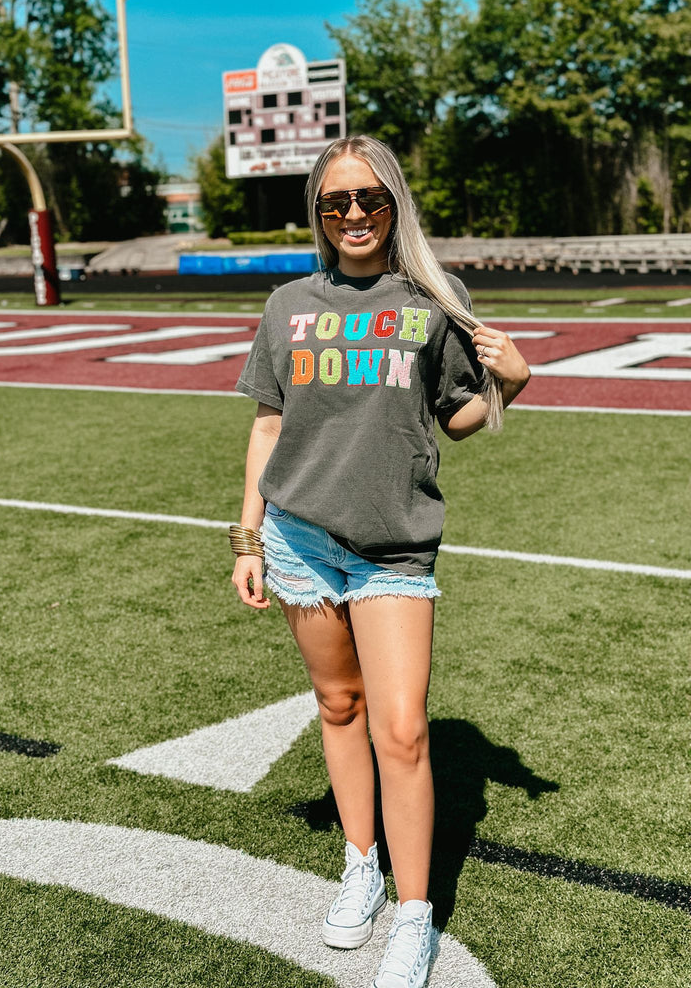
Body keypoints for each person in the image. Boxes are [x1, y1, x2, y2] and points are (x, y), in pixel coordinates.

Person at [230, 135, 530, 988]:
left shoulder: (434, 298)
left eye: (370, 199)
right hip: (298, 538)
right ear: (318, 214)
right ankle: (360, 864)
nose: (354, 215)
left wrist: (514, 381)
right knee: (338, 706)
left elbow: (457, 417)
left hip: (394, 543)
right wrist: (248, 537)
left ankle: (413, 912)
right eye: (336, 202)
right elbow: (267, 424)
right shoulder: (288, 303)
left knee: (401, 730)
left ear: (394, 205)